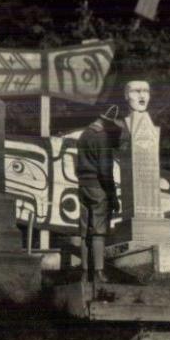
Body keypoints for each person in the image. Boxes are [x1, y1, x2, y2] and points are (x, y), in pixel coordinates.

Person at [76, 105, 122, 284]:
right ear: (109, 123)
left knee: (84, 231)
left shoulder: (84, 135)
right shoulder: (102, 137)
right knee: (99, 231)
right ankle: (99, 272)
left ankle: (84, 273)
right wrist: (113, 196)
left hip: (83, 186)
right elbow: (105, 172)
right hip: (98, 188)